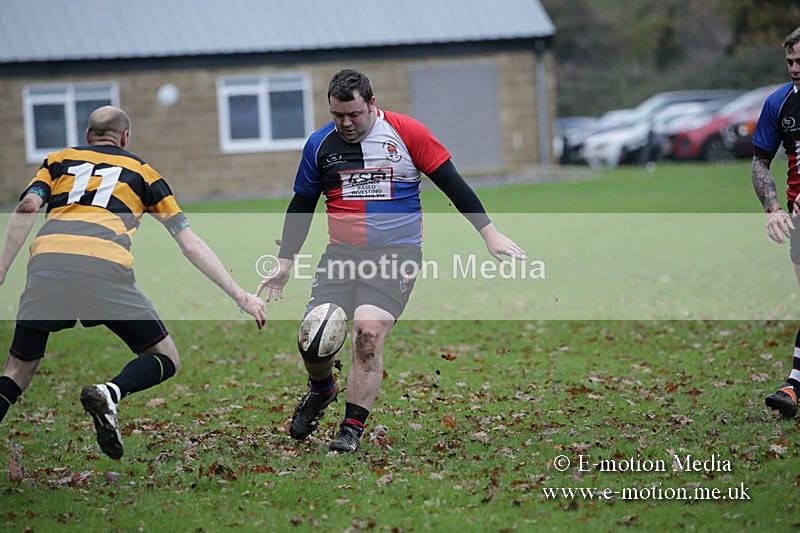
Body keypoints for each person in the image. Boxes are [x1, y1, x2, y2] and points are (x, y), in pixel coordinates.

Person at [257, 68, 526, 452]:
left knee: (367, 334)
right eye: (337, 115)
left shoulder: (407, 133)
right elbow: (302, 203)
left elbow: (453, 184)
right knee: (313, 339)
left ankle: (351, 429)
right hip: (341, 255)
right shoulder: (319, 145)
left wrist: (489, 232)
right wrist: (285, 261)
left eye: (354, 114)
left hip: (396, 255)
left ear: (372, 104)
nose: (346, 123)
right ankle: (322, 389)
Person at [0, 105, 266, 459]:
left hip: (47, 268)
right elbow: (189, 243)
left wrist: (2, 269)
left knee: (17, 371)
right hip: (103, 270)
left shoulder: (58, 161)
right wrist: (240, 296)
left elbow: (27, 207)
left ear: (87, 135)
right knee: (165, 357)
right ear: (125, 137)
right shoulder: (143, 173)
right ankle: (110, 393)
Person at [752, 27, 800, 419]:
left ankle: (793, 385)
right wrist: (773, 208)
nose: (795, 68)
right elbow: (760, 163)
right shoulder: (778, 103)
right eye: (790, 62)